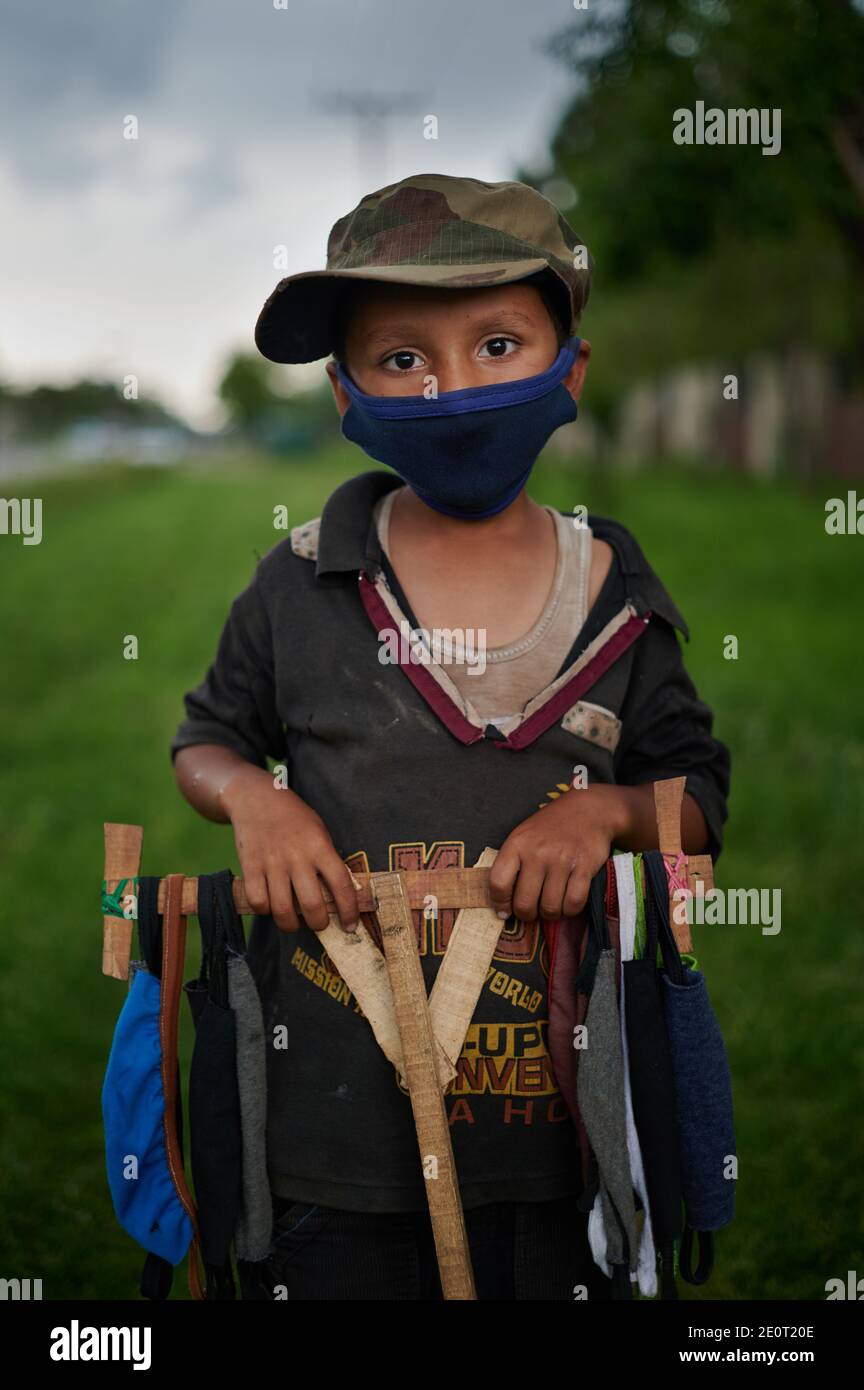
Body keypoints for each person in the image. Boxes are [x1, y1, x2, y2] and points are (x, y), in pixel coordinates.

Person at [170, 172, 731, 1300]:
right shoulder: (296, 586)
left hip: (568, 1145)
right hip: (333, 1145)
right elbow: (206, 741)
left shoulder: (618, 595)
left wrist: (611, 812)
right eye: (402, 359)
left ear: (571, 368)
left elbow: (697, 799)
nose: (453, 388)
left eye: (497, 343)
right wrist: (255, 798)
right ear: (345, 393)